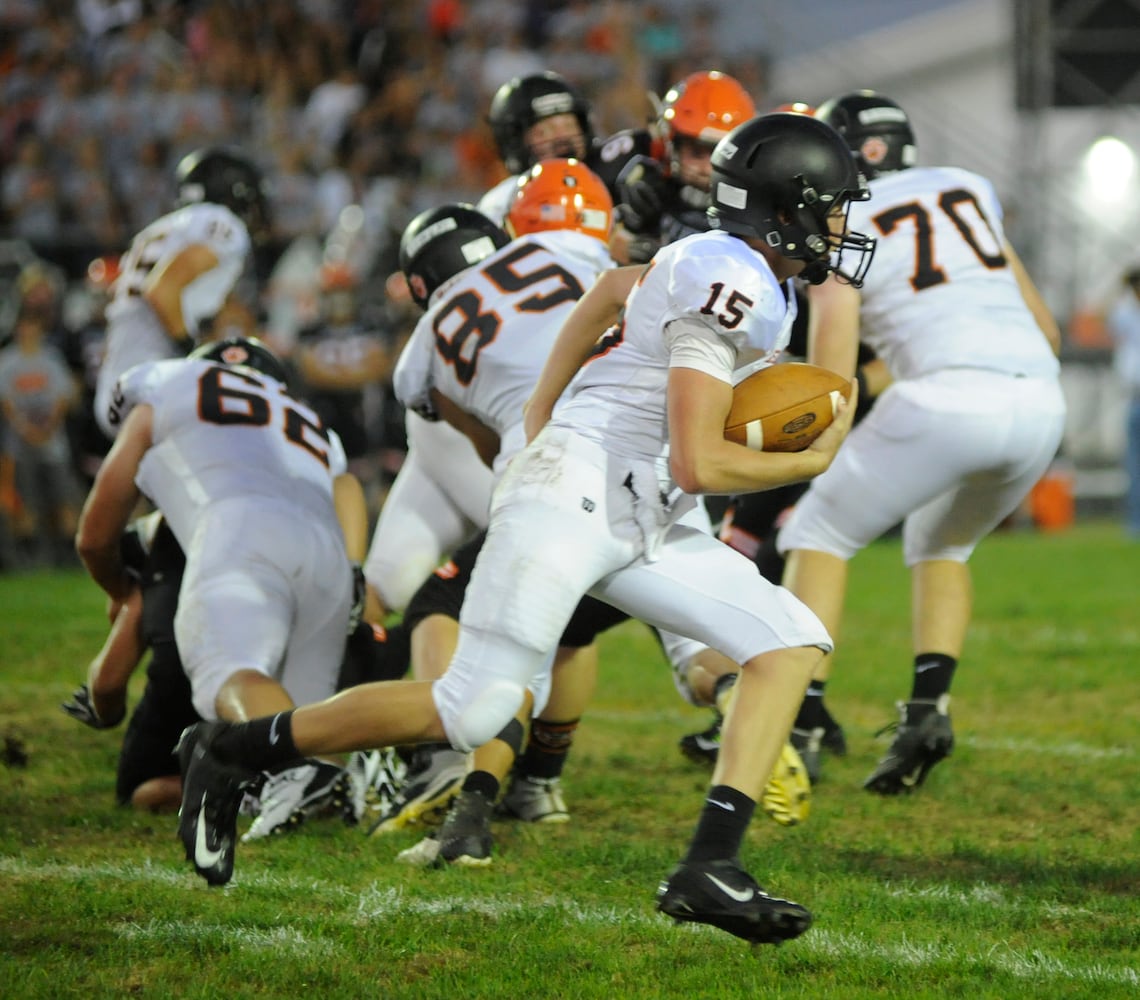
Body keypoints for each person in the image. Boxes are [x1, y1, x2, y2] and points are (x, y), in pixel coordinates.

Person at [174, 112, 873, 947]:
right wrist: (811, 458)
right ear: (783, 206)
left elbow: (615, 289)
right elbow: (698, 462)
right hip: (578, 498)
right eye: (830, 205)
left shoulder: (732, 266)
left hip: (635, 503)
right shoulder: (735, 280)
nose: (840, 224)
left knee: (790, 642)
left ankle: (708, 867)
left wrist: (541, 406)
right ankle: (233, 750)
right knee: (474, 711)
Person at [776, 91, 1067, 794]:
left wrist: (805, 447)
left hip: (946, 400)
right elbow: (1047, 329)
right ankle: (928, 712)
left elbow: (832, 373)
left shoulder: (843, 221)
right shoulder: (966, 188)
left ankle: (802, 716)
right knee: (940, 542)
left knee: (817, 531)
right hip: (1039, 399)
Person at [75, 337, 357, 833]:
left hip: (237, 528)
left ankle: (296, 776)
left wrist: (120, 589)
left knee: (230, 674)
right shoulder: (303, 417)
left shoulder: (167, 380)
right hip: (326, 547)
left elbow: (95, 537)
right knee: (310, 713)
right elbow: (345, 484)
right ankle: (335, 780)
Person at [94, 146, 269, 440]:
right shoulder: (222, 222)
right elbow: (161, 290)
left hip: (116, 384)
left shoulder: (159, 228)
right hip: (156, 379)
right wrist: (190, 350)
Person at [597, 69, 756, 265]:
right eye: (697, 153)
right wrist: (616, 234)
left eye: (722, 155)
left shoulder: (756, 192)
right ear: (669, 141)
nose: (707, 169)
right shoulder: (630, 158)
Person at [1106, 267, 1140, 538]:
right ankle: (1135, 523)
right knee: (1133, 466)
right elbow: (1101, 316)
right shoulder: (1127, 313)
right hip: (1133, 397)